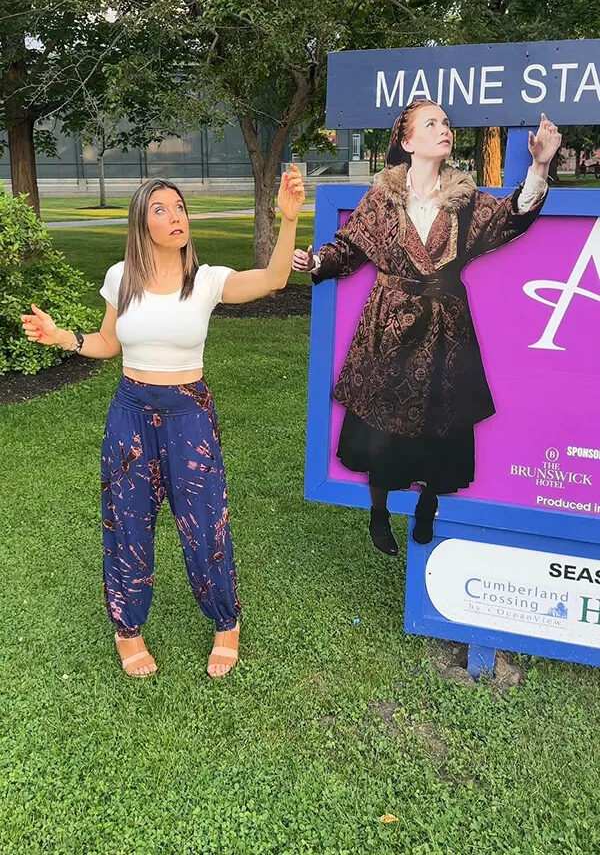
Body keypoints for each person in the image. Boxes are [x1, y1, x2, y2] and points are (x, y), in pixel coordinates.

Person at [22, 168, 305, 678]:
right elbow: (109, 344)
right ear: (142, 223)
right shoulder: (120, 279)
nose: (176, 217)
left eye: (180, 208)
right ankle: (127, 628)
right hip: (130, 411)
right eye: (161, 209)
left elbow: (274, 279)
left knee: (204, 524)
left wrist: (287, 222)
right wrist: (63, 336)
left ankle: (226, 622)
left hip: (188, 413)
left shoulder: (206, 281)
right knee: (126, 522)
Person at [293, 103, 561, 550]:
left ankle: (427, 506)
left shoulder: (463, 199)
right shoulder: (382, 198)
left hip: (445, 330)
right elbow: (350, 247)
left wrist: (540, 164)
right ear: (407, 141)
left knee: (444, 426)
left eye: (447, 124)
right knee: (380, 430)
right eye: (432, 124)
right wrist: (317, 261)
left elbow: (511, 215)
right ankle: (378, 513)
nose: (445, 131)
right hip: (390, 327)